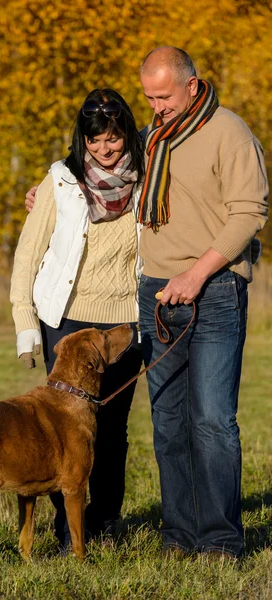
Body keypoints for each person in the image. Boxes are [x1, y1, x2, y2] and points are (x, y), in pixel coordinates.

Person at [137, 46, 268, 559]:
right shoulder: (154, 138)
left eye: (163, 96)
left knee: (211, 420)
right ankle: (179, 535)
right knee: (168, 422)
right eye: (148, 97)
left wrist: (196, 273)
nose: (155, 106)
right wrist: (48, 192)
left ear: (192, 86)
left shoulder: (229, 132)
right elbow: (111, 178)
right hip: (156, 291)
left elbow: (249, 212)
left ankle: (220, 540)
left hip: (213, 291)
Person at [10, 88, 144, 550]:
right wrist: (25, 324)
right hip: (64, 321)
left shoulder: (148, 180)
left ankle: (104, 522)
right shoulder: (61, 181)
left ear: (127, 132)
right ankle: (69, 528)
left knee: (112, 431)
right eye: (94, 141)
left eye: (113, 138)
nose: (105, 149)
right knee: (61, 431)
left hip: (122, 323)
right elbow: (28, 254)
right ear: (81, 139)